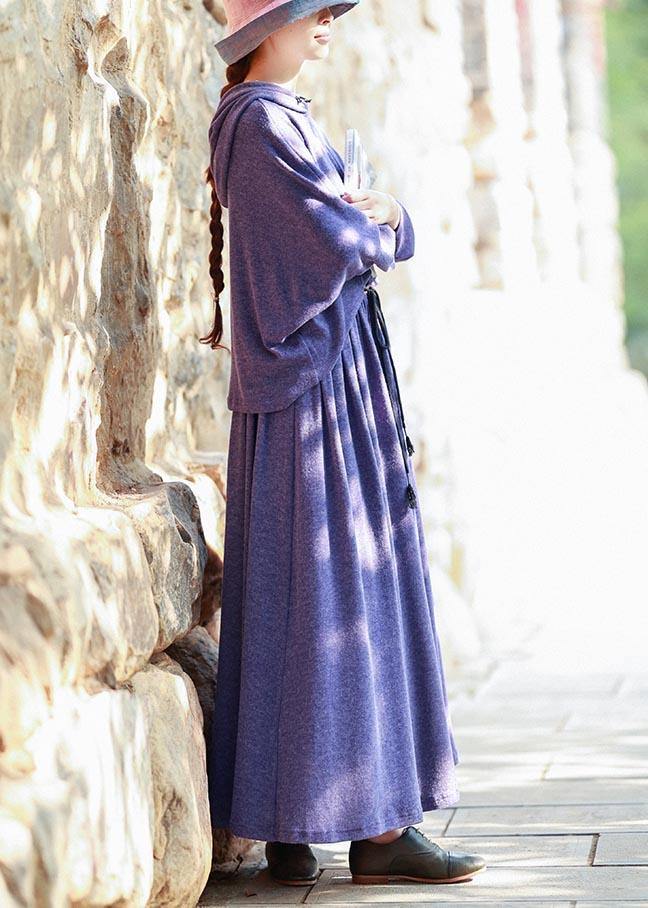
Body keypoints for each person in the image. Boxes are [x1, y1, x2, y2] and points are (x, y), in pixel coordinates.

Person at [201, 0, 487, 889]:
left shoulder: (269, 120)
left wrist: (378, 217)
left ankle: (297, 823)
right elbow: (333, 242)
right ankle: (376, 831)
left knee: (309, 595)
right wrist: (389, 221)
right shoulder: (261, 124)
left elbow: (329, 236)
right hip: (314, 391)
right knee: (339, 589)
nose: (326, 20)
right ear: (265, 29)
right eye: (310, 9)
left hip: (317, 381)